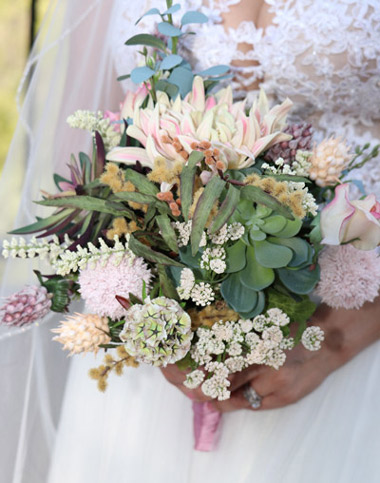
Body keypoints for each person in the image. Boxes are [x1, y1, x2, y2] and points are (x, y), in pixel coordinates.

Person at [1, 0, 380, 482]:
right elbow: (87, 152)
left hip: (351, 334)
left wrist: (337, 343)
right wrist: (142, 313)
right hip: (150, 356)